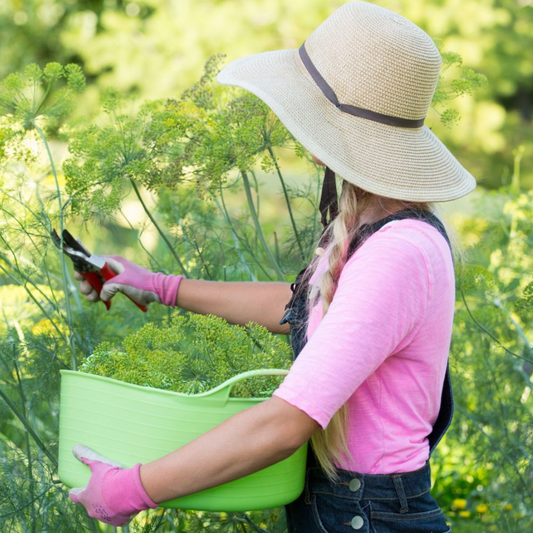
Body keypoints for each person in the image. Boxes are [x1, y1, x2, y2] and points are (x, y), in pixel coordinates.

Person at [68, 2, 476, 531]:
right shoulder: (376, 225)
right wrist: (159, 286)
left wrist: (129, 489)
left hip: (368, 515)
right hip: (351, 510)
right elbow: (306, 307)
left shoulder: (399, 252)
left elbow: (285, 424)